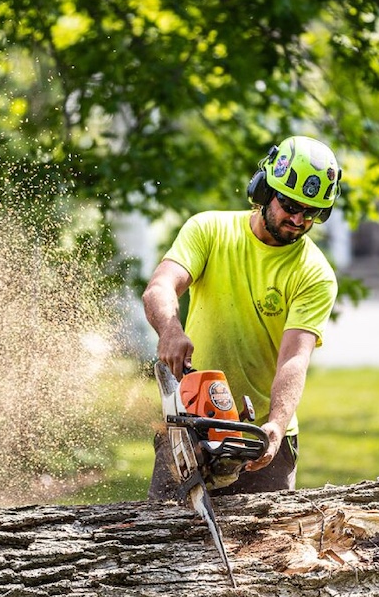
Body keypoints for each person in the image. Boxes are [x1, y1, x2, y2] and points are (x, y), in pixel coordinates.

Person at [143, 135, 341, 500]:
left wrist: (276, 427)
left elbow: (294, 358)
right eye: (290, 204)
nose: (297, 219)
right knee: (163, 538)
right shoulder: (209, 230)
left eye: (310, 213)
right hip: (192, 422)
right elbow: (160, 286)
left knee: (269, 548)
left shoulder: (315, 272)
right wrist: (170, 329)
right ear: (265, 189)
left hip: (259, 438)